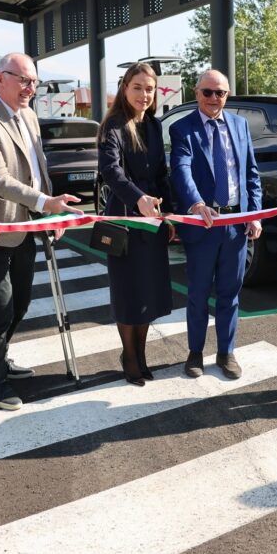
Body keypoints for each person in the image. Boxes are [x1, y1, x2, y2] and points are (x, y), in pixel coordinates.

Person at [0, 53, 81, 411]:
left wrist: (49, 214)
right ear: (0, 78)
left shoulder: (28, 115)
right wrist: (46, 203)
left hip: (27, 226)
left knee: (21, 302)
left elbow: (38, 168)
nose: (31, 88)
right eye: (25, 80)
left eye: (35, 82)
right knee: (0, 307)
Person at [169, 69, 262, 380]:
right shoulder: (183, 129)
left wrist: (254, 214)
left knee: (229, 294)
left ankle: (226, 352)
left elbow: (251, 174)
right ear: (196, 93)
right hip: (203, 224)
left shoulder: (240, 125)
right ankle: (195, 353)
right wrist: (196, 203)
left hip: (236, 224)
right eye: (207, 92)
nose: (213, 98)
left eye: (219, 92)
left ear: (227, 95)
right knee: (198, 293)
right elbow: (181, 169)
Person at [97, 62, 174, 386]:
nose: (144, 94)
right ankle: (129, 357)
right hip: (125, 222)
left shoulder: (154, 125)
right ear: (125, 88)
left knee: (147, 293)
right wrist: (138, 198)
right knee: (129, 293)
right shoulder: (113, 125)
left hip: (153, 220)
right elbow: (111, 172)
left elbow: (161, 174)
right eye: (137, 87)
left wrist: (170, 215)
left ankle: (140, 355)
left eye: (149, 89)